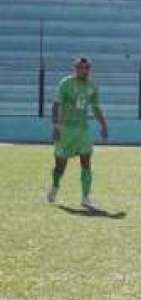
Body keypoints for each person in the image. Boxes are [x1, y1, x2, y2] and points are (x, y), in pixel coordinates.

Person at [47, 56, 109, 210]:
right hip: (66, 129)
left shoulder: (93, 86)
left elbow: (95, 107)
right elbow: (56, 105)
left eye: (87, 67)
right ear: (75, 69)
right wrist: (56, 126)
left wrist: (104, 125)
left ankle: (85, 198)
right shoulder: (66, 83)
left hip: (83, 129)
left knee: (86, 161)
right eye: (81, 67)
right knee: (60, 165)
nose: (84, 70)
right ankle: (55, 186)